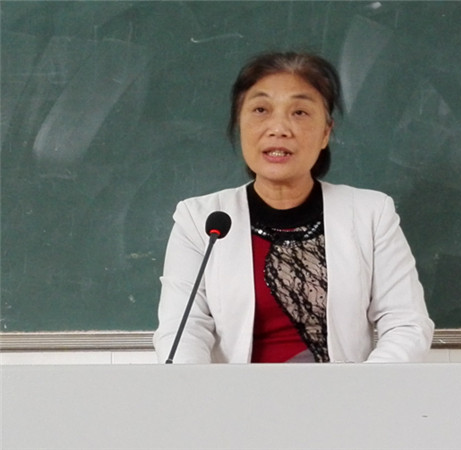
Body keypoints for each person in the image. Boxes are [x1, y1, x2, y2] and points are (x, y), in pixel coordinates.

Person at [153, 51, 434, 363]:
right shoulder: (201, 220)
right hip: (235, 394)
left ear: (326, 132)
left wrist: (362, 387)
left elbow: (406, 325)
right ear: (239, 124)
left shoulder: (371, 214)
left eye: (299, 112)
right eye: (261, 110)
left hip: (347, 392)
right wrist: (194, 387)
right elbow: (183, 330)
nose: (279, 128)